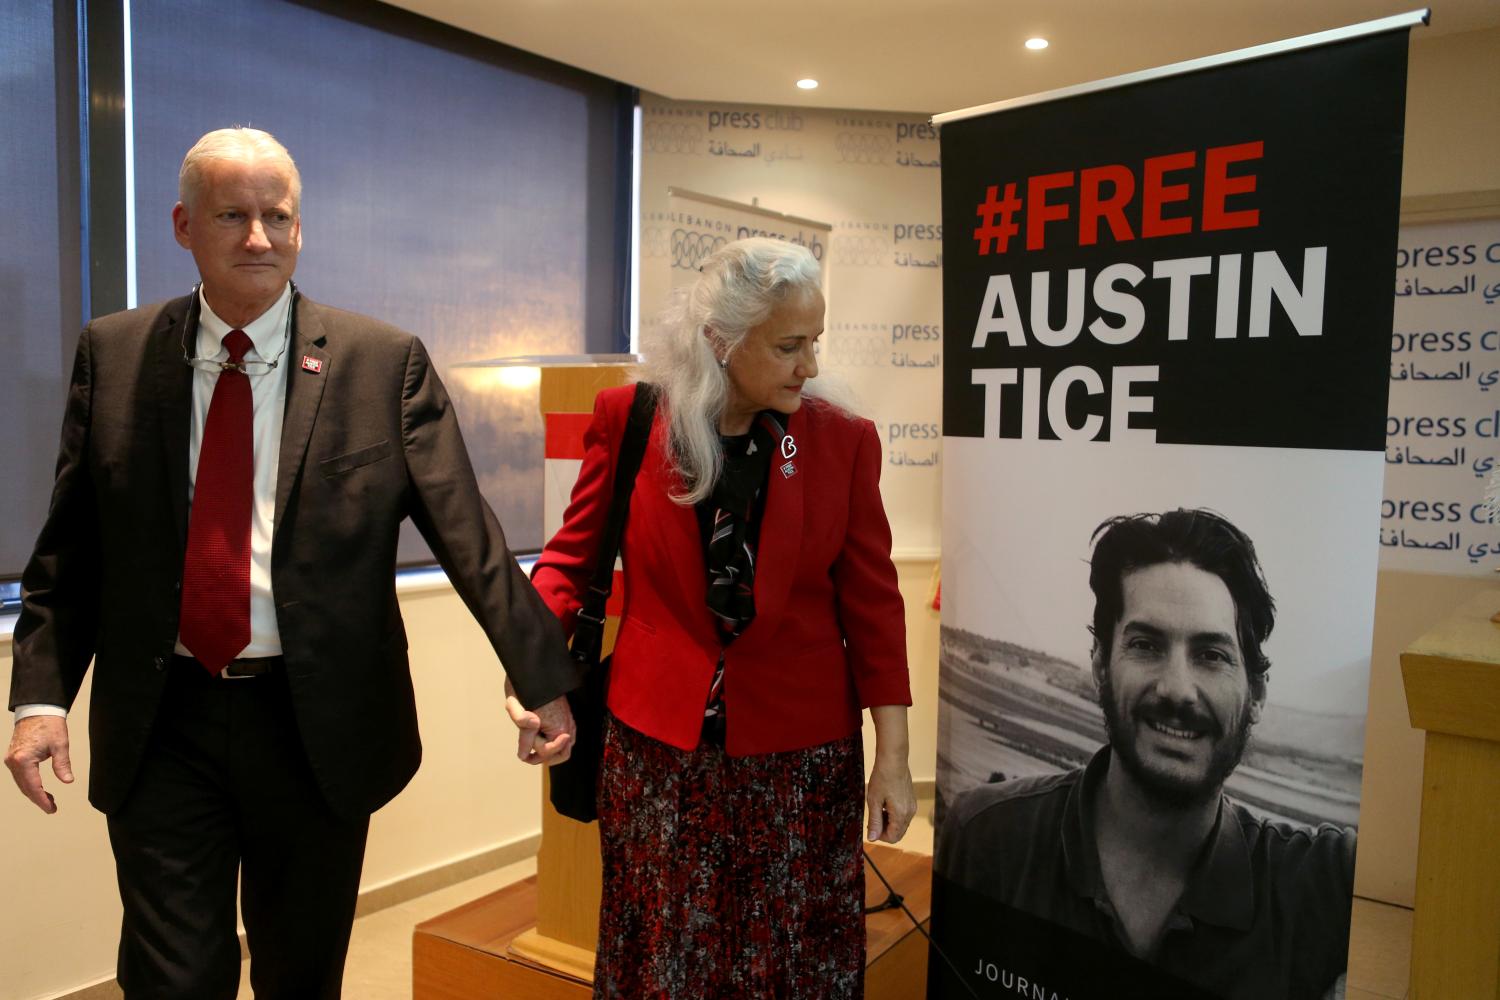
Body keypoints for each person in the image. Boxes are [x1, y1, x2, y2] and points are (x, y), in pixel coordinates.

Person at [3, 127, 579, 998]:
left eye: (279, 216)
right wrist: (41, 697)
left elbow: (472, 538)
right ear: (182, 225)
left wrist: (541, 676)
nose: (259, 238)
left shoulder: (381, 364)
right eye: (232, 214)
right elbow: (72, 547)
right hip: (163, 720)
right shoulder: (115, 355)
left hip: (315, 727)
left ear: (301, 229)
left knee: (299, 973)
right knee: (170, 977)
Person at [514, 237, 916, 999]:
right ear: (720, 341)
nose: (812, 365)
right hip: (657, 753)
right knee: (666, 950)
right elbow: (568, 559)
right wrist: (529, 673)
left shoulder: (843, 442)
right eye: (790, 346)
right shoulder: (634, 420)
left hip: (800, 759)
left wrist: (892, 755)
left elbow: (874, 609)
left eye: (816, 342)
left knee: (788, 960)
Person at [936, 508, 1355, 1000]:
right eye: (1146, 645)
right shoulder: (988, 840)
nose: (1177, 688)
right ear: (1100, 666)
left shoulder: (1320, 886)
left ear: (1256, 694)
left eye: (1212, 655)